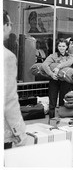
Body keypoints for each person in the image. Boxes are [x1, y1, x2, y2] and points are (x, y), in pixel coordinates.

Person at [3, 11, 27, 149]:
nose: (11, 28)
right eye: (10, 24)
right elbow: (8, 100)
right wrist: (19, 131)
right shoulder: (7, 57)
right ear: (4, 26)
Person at [42, 38, 73, 118]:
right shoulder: (53, 56)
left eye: (63, 46)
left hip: (65, 80)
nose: (61, 48)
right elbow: (44, 65)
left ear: (67, 47)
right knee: (52, 101)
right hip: (54, 80)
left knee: (63, 101)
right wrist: (51, 74)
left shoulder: (70, 56)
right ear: (57, 47)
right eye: (59, 46)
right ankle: (52, 119)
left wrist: (58, 67)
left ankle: (61, 120)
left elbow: (69, 62)